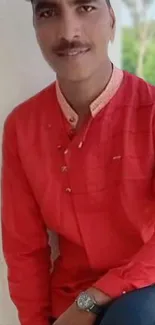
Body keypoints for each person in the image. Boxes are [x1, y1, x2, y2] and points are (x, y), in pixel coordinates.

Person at [1, 0, 155, 324]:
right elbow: (24, 250)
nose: (69, 32)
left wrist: (94, 299)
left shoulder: (151, 111)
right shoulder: (22, 128)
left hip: (142, 292)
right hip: (67, 304)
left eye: (85, 7)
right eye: (48, 12)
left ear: (112, 20)